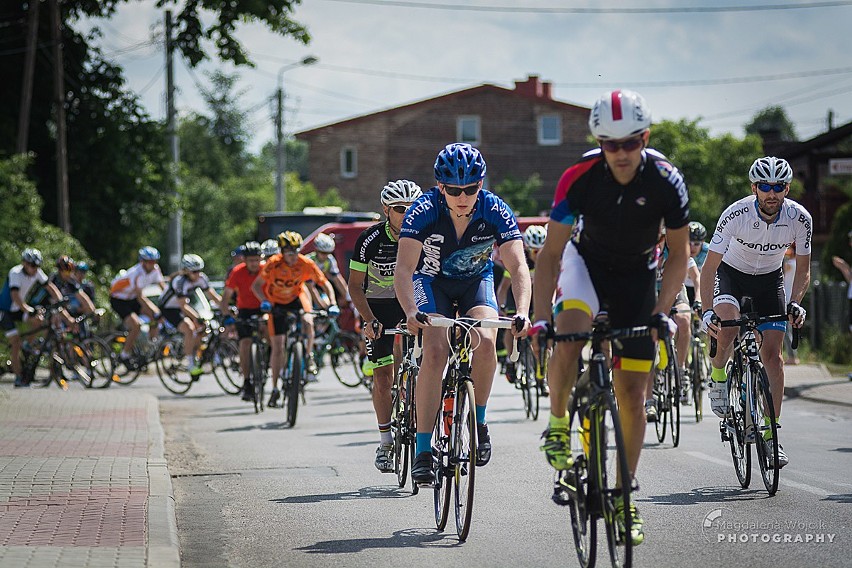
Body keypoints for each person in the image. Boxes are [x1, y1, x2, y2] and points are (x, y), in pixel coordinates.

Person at [532, 89, 690, 546]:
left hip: (639, 274)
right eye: (610, 144)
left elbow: (678, 256)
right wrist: (542, 318)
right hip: (586, 265)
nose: (620, 154)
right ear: (598, 142)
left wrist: (661, 313)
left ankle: (623, 496)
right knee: (569, 333)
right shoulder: (579, 177)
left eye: (631, 143)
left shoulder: (666, 180)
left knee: (634, 394)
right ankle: (559, 423)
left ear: (645, 137)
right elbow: (551, 254)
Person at [394, 142, 532, 484]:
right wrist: (411, 312)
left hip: (475, 281)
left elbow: (518, 267)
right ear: (440, 186)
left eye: (471, 189)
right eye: (454, 189)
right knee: (436, 350)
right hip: (431, 282)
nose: (463, 196)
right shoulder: (422, 210)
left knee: (487, 341)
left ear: (481, 185)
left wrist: (523, 311)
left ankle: (479, 423)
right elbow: (404, 269)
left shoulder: (496, 210)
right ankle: (424, 450)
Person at [700, 156, 811, 469]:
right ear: (754, 188)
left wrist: (796, 301)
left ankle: (770, 434)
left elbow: (803, 270)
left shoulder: (798, 218)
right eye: (765, 187)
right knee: (728, 330)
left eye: (778, 187)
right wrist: (708, 313)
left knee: (773, 356)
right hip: (731, 275)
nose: (772, 193)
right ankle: (719, 376)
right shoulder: (735, 213)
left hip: (769, 281)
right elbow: (708, 269)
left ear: (787, 188)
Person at [348, 179, 423, 473]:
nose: (407, 214)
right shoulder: (370, 240)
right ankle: (386, 441)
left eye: (413, 208)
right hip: (378, 307)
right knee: (383, 378)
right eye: (400, 209)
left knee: (429, 362)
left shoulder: (424, 235)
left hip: (412, 304)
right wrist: (369, 320)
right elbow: (355, 286)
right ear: (386, 210)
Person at [251, 231, 339, 408]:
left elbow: (325, 283)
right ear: (282, 251)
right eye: (288, 251)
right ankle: (275, 388)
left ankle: (308, 356)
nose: (292, 255)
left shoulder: (305, 263)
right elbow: (257, 286)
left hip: (296, 299)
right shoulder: (273, 264)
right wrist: (265, 301)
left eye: (295, 250)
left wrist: (333, 303)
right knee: (278, 346)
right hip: (276, 302)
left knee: (308, 320)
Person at [0, 249, 65, 387]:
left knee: (39, 321)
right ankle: (18, 377)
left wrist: (60, 300)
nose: (35, 269)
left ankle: (28, 345)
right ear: (25, 263)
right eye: (32, 266)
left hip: (18, 309)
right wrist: (28, 310)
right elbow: (15, 297)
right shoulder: (15, 273)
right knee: (15, 341)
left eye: (37, 266)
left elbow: (50, 287)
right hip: (5, 310)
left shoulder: (37, 272)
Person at [497, 224, 549, 395]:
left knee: (541, 332)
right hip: (516, 296)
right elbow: (504, 288)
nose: (536, 254)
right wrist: (502, 307)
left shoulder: (546, 259)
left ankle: (541, 373)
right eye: (533, 250)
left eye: (539, 250)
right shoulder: (521, 260)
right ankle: (511, 362)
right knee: (510, 327)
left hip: (537, 299)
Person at [157, 254, 222, 377]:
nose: (197, 274)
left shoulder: (201, 278)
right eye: (194, 272)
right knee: (189, 328)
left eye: (199, 271)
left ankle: (194, 352)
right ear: (186, 272)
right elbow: (183, 306)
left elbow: (213, 296)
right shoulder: (180, 282)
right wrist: (197, 317)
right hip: (169, 308)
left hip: (183, 306)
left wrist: (227, 306)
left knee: (204, 329)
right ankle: (190, 363)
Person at [221, 241, 265, 400]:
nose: (254, 263)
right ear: (244, 260)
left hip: (264, 307)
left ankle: (267, 358)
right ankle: (247, 381)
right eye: (250, 260)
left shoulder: (266, 269)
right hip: (245, 310)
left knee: (270, 332)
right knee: (245, 344)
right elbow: (226, 296)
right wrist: (227, 316)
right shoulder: (237, 272)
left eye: (257, 259)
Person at [109, 246, 166, 367]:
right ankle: (124, 355)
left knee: (156, 318)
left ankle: (150, 346)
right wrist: (156, 310)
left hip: (132, 297)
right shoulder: (136, 273)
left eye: (154, 261)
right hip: (119, 300)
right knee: (136, 325)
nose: (152, 264)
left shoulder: (156, 270)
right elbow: (141, 298)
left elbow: (163, 288)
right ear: (142, 262)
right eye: (150, 262)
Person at [307, 233, 350, 311]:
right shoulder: (309, 260)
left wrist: (348, 298)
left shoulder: (330, 260)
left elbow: (337, 279)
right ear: (316, 250)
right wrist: (323, 307)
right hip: (307, 287)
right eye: (323, 253)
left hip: (320, 287)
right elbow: (310, 286)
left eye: (328, 253)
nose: (325, 256)